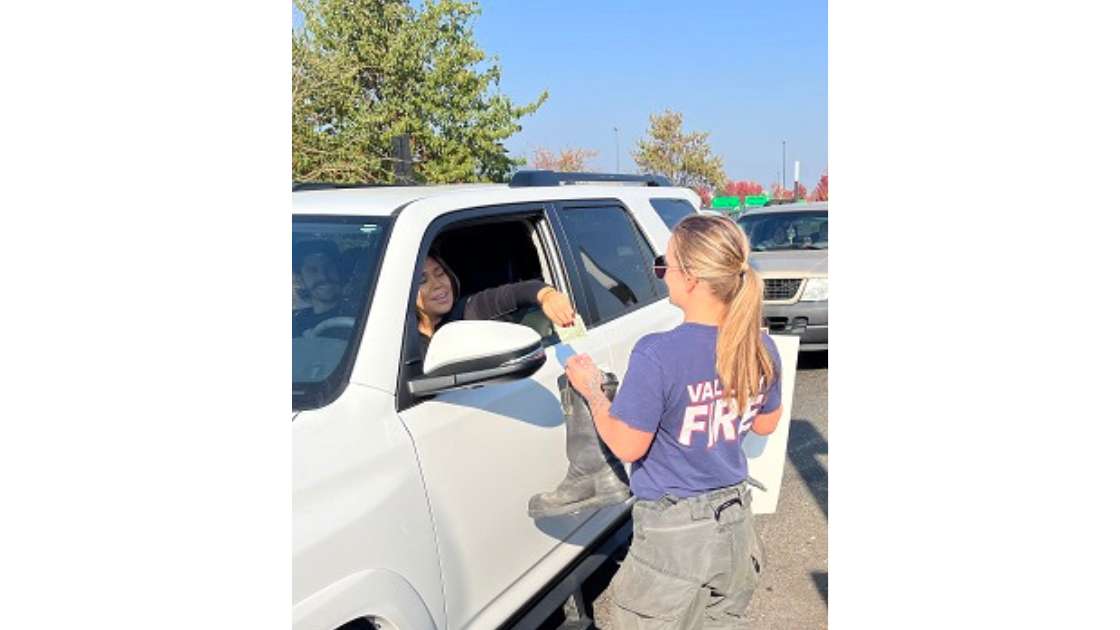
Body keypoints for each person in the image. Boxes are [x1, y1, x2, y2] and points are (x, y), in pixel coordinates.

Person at [564, 214, 783, 629]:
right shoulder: (761, 345)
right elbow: (766, 424)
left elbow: (628, 446)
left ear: (691, 278)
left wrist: (593, 392)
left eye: (665, 264)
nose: (661, 274)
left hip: (675, 534)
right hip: (736, 525)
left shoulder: (658, 353)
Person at [414, 253, 576, 357]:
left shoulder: (467, 311)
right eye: (422, 280)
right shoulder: (401, 337)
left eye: (440, 273)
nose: (437, 284)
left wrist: (547, 295)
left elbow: (514, 293)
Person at [292, 240, 348, 337]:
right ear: (300, 279)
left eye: (329, 268)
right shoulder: (295, 323)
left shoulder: (361, 314)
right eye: (313, 270)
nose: (323, 276)